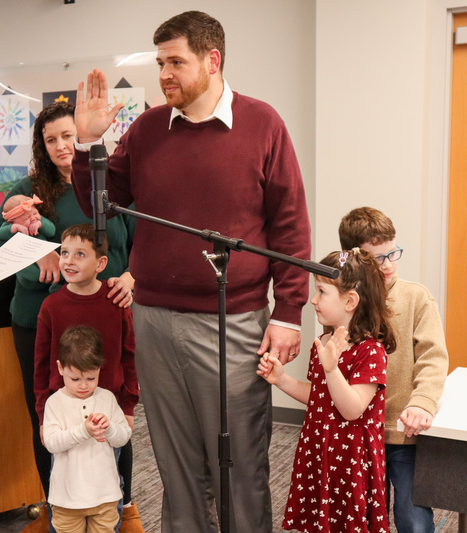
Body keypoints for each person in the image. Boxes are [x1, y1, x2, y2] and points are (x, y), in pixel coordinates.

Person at [72, 10, 311, 532]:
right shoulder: (148, 128)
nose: (164, 74)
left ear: (212, 59)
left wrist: (289, 311)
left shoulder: (263, 123)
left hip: (233, 320)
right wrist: (89, 144)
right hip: (154, 319)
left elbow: (290, 223)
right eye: (160, 62)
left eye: (175, 61)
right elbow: (102, 205)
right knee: (175, 462)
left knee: (240, 463)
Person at [0, 102, 140, 533]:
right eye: (51, 140)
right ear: (42, 146)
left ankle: (121, 507)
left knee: (114, 409)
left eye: (68, 135)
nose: (61, 146)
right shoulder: (30, 188)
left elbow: (144, 240)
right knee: (49, 415)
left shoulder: (113, 182)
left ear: (82, 135)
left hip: (107, 314)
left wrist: (133, 275)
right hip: (42, 317)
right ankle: (59, 511)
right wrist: (38, 250)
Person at [258, 248, 396, 532]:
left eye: (321, 292)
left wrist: (332, 369)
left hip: (350, 460)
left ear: (350, 301)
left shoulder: (371, 351)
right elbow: (319, 398)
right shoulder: (324, 341)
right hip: (320, 448)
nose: (312, 300)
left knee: (347, 523)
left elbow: (352, 408)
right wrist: (282, 380)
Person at [339, 207, 449, 533]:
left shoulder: (416, 298)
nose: (387, 264)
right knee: (359, 519)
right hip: (359, 434)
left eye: (393, 254)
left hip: (404, 434)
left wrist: (422, 403)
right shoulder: (346, 301)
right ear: (354, 258)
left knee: (413, 519)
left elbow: (433, 358)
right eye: (377, 258)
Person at [34, 224, 139, 530]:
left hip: (110, 411)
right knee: (66, 485)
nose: (68, 261)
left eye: (80, 254)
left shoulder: (116, 301)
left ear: (101, 263)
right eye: (64, 252)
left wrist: (129, 406)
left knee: (110, 485)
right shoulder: (51, 306)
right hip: (63, 413)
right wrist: (42, 414)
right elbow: (41, 366)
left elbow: (129, 354)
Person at [43, 325, 132, 533]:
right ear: (60, 368)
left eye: (91, 378)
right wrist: (83, 430)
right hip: (67, 500)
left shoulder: (107, 398)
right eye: (75, 379)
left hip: (105, 497)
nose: (83, 385)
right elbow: (52, 442)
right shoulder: (55, 403)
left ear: (100, 369)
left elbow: (123, 438)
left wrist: (109, 428)